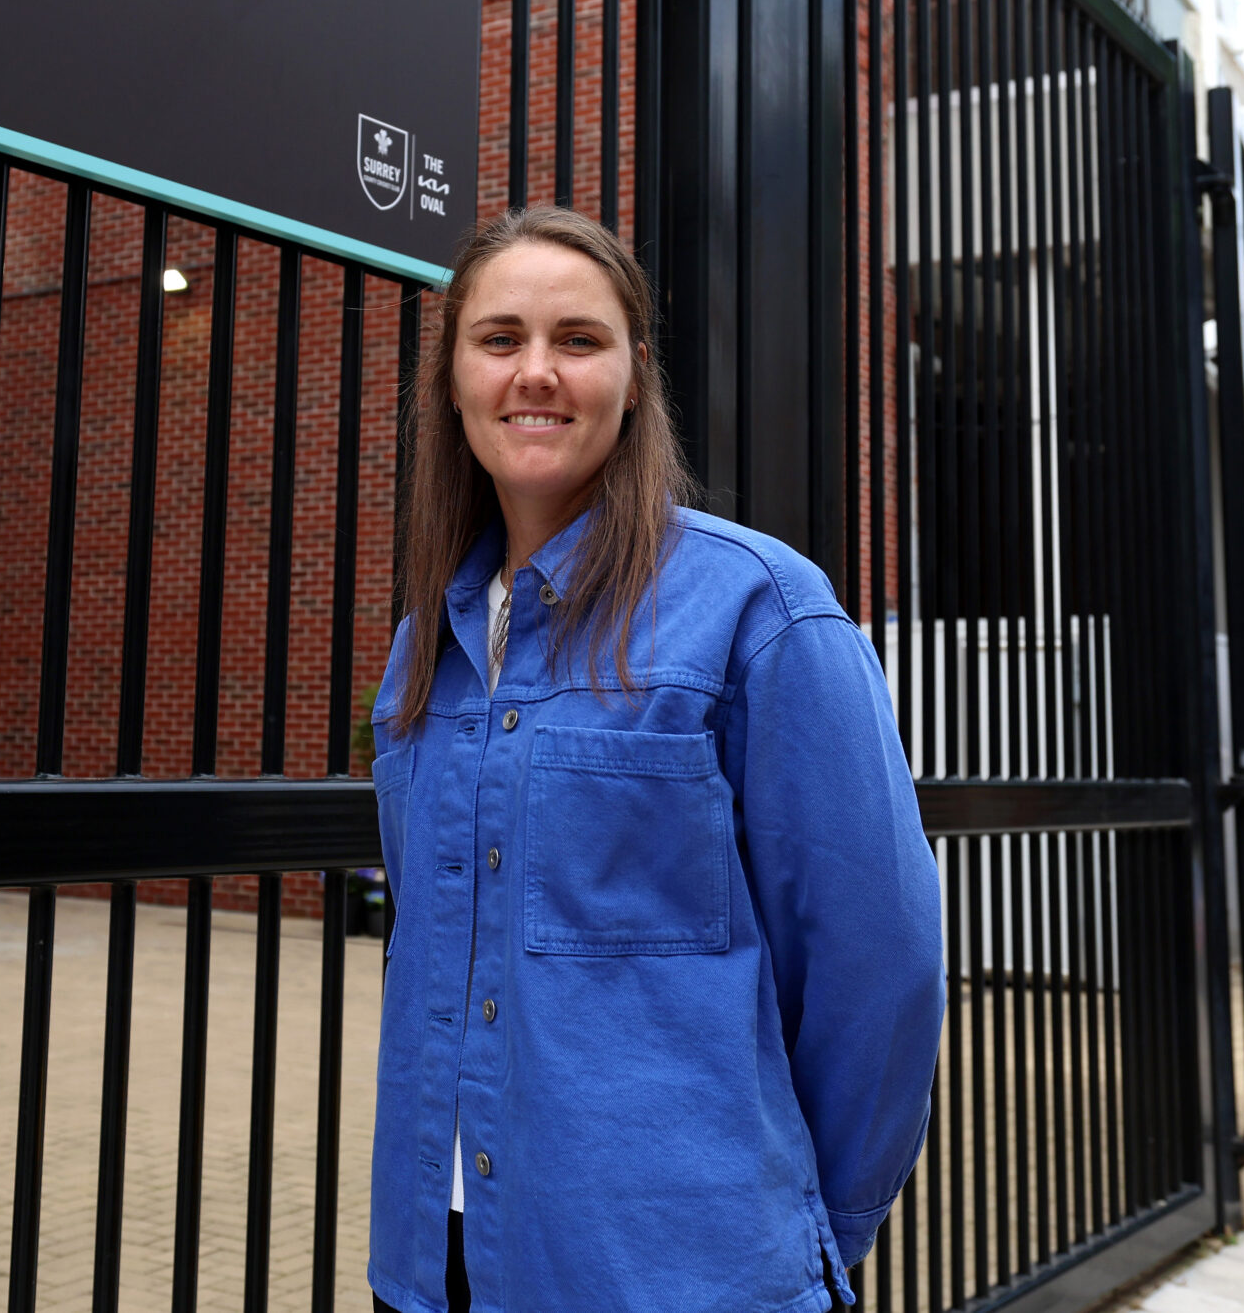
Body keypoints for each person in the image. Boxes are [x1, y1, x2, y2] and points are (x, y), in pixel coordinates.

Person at [366, 205, 944, 1313]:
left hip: (674, 1269)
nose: (535, 371)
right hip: (434, 1256)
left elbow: (881, 957)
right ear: (451, 379)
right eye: (499, 339)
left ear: (635, 379)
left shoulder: (759, 611)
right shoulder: (422, 647)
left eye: (578, 340)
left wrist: (815, 1220)